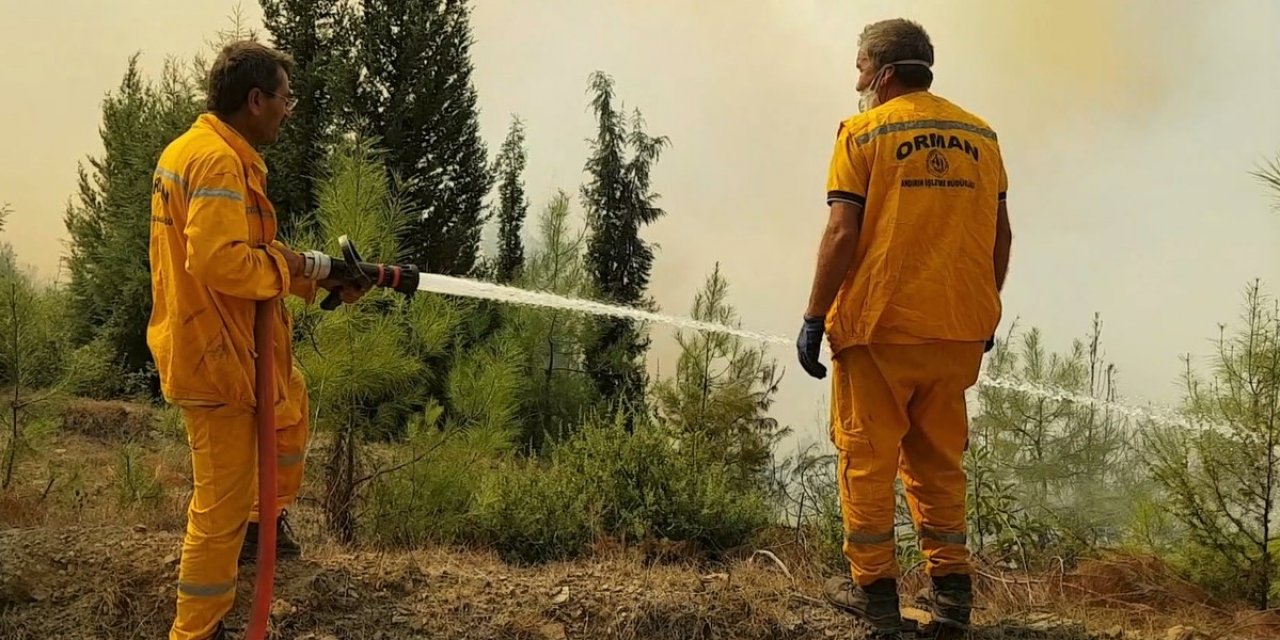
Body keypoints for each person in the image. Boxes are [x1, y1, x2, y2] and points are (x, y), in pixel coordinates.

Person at [795, 18, 1013, 636]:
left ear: (885, 73)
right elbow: (1000, 235)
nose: (857, 78)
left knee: (866, 461)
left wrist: (815, 316)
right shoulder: (982, 134)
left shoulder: (862, 132)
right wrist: (983, 307)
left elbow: (842, 232)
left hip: (881, 330)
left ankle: (877, 605)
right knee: (939, 465)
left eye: (861, 67)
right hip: (957, 334)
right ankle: (952, 605)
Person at [147, 40, 366, 640]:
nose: (288, 110)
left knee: (289, 414)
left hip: (237, 346)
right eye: (284, 98)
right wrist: (295, 268)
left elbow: (247, 254)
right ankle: (197, 629)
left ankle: (257, 525)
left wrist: (318, 274)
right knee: (215, 506)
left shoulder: (201, 150)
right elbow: (219, 261)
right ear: (254, 99)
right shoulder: (216, 161)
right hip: (215, 359)